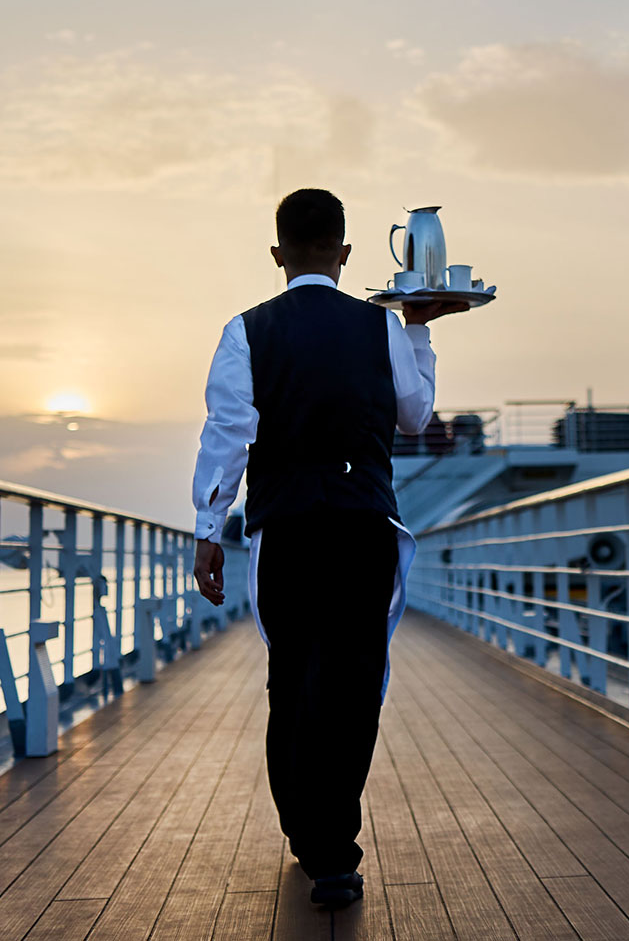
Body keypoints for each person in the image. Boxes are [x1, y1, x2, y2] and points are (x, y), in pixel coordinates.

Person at [189, 188, 469, 909]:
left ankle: (304, 832)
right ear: (346, 253)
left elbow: (227, 436)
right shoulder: (378, 328)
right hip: (362, 526)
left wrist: (208, 531)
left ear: (279, 254)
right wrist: (419, 332)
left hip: (286, 531)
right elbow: (414, 418)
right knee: (351, 687)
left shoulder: (245, 330)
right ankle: (334, 853)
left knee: (294, 681)